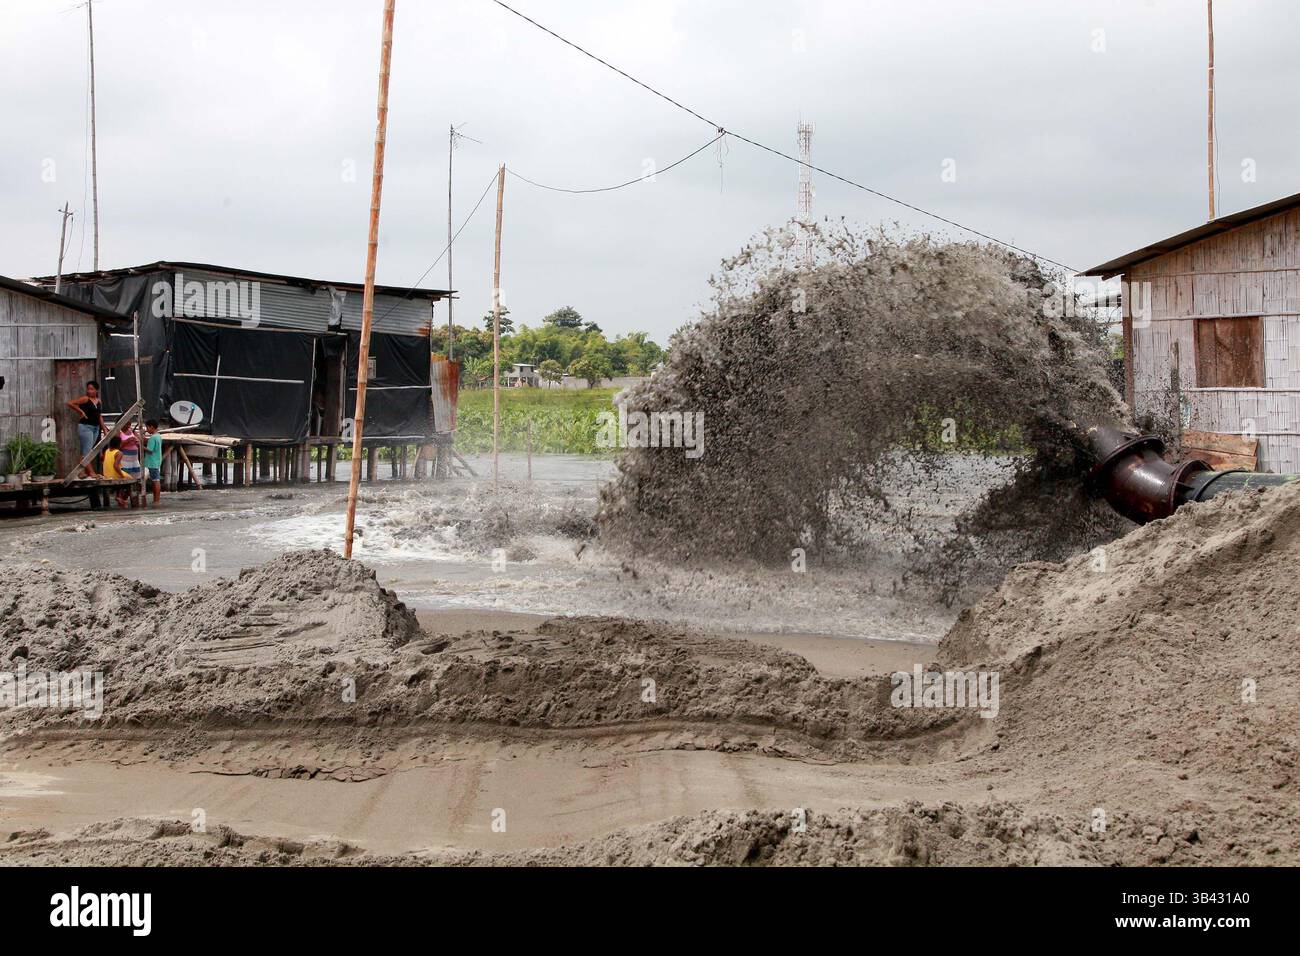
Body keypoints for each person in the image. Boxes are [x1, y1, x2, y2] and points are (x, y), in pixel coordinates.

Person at [66, 381, 105, 478]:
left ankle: (81, 472)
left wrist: (104, 429)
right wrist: (81, 411)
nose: (89, 391)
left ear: (96, 390)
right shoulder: (85, 399)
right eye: (88, 389)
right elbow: (70, 403)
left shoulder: (99, 401)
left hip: (96, 427)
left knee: (87, 451)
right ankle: (91, 472)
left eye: (92, 389)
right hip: (85, 426)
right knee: (87, 452)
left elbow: (99, 416)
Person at [102, 436, 130, 507]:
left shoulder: (107, 451)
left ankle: (119, 497)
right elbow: (116, 466)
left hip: (106, 474)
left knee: (121, 482)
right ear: (119, 444)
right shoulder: (119, 453)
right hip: (114, 474)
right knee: (133, 481)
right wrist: (122, 476)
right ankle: (123, 499)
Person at [143, 420, 163, 505]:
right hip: (157, 460)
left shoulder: (152, 438)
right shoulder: (158, 436)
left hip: (152, 461)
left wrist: (141, 446)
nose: (146, 429)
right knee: (156, 480)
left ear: (151, 427)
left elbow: (150, 450)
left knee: (155, 481)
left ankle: (156, 500)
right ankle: (156, 499)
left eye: (147, 427)